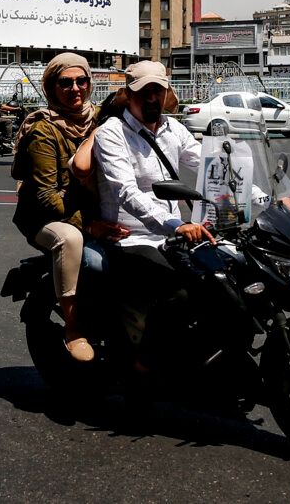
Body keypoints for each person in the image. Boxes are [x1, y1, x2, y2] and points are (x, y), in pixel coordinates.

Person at [90, 60, 213, 369]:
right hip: (131, 238)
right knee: (180, 291)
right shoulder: (112, 133)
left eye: (157, 90)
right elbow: (126, 192)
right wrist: (176, 225)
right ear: (128, 95)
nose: (151, 97)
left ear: (166, 93)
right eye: (143, 91)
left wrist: (261, 196)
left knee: (219, 279)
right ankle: (144, 361)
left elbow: (210, 166)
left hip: (173, 236)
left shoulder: (174, 129)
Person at [10, 53, 99, 362]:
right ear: (51, 87)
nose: (75, 88)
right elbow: (47, 197)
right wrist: (90, 225)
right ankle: (74, 328)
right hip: (44, 215)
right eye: (66, 82)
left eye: (81, 81)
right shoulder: (42, 130)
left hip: (90, 210)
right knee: (70, 240)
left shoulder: (100, 119)